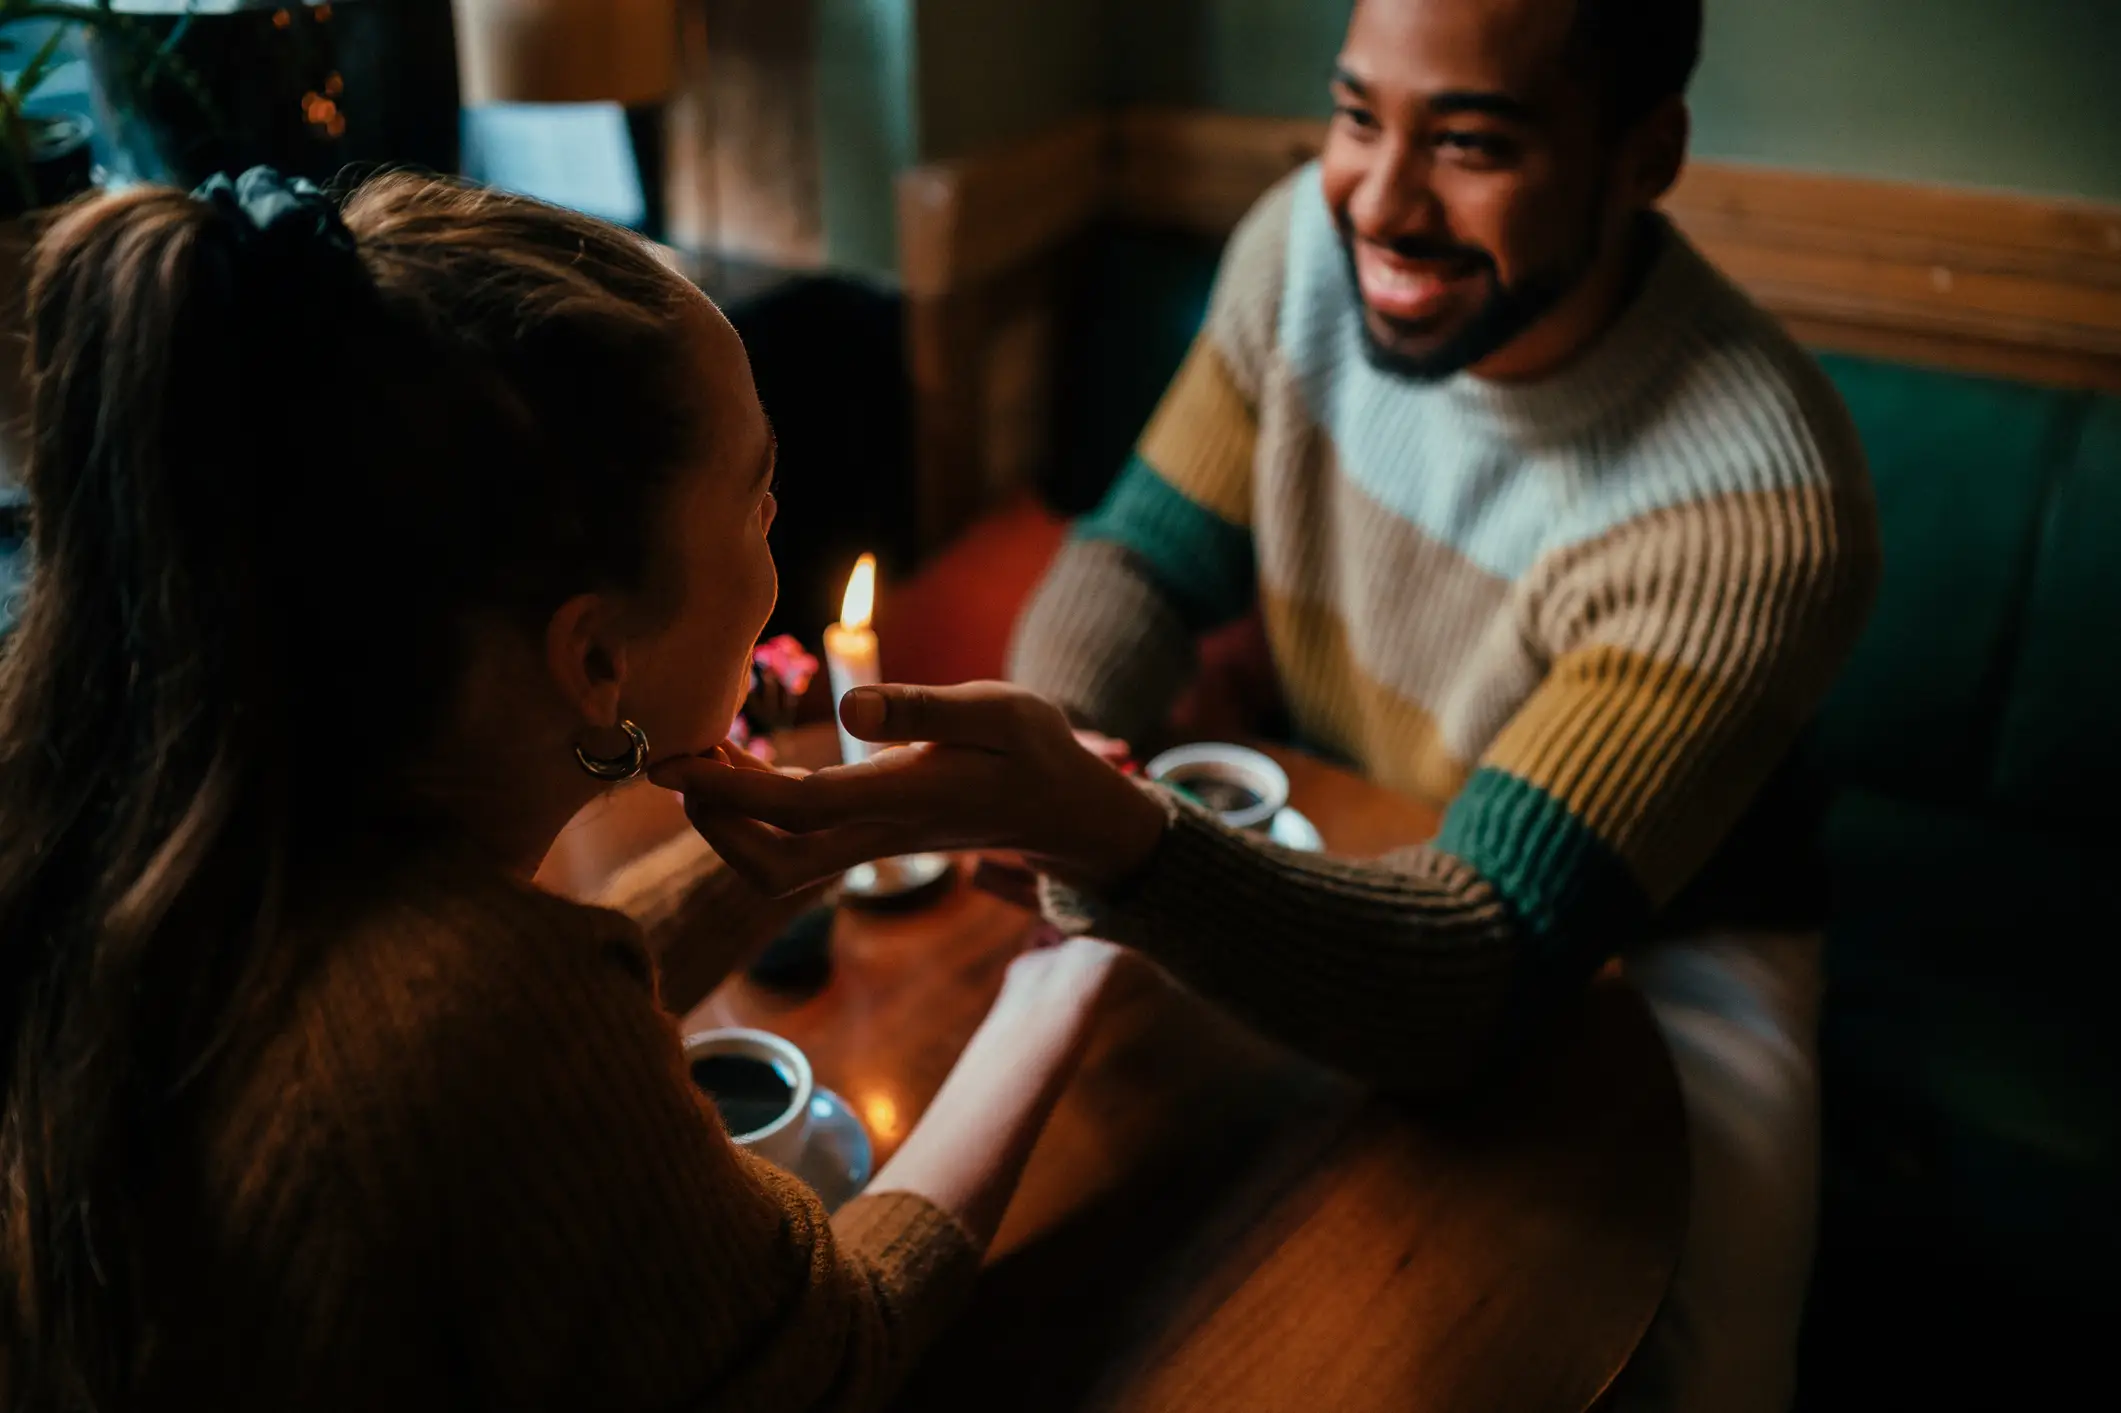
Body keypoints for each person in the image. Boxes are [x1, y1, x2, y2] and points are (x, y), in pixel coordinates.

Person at [654, 1, 1882, 1409]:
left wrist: (1114, 836)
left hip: (1664, 938)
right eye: (1358, 115)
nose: (1379, 199)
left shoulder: (1759, 502)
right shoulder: (1299, 246)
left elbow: (1471, 974)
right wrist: (1034, 745)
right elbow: (1136, 554)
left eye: (1474, 143)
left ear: (1644, 153)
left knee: (1702, 1359)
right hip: (1340, 817)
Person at [0, 169, 1131, 1411]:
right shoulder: (484, 1009)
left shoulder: (196, 812)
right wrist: (1054, 988)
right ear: (596, 659)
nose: (778, 525)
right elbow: (825, 1355)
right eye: (757, 499)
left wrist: (837, 820)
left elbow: (490, 1027)